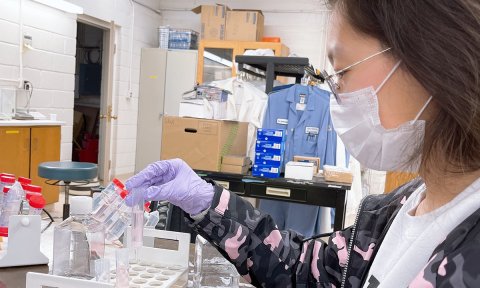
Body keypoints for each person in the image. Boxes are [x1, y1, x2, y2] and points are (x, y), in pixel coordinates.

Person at [126, 0, 480, 287]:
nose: (335, 95)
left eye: (342, 72)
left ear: (431, 59)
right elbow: (306, 272)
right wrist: (209, 201)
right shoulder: (397, 210)